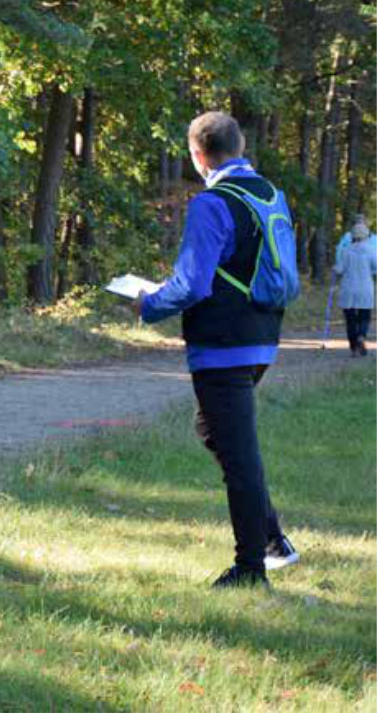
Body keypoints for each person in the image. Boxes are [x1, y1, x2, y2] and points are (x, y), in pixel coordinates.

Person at [136, 112, 299, 589]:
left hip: (222, 343)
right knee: (214, 431)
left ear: (197, 155)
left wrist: (147, 304)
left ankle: (251, 567)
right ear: (241, 144)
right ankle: (271, 540)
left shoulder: (213, 203)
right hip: (262, 337)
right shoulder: (270, 194)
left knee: (239, 453)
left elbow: (191, 283)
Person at [333, 219, 377, 357]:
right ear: (366, 235)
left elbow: (339, 269)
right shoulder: (372, 251)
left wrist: (335, 269)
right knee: (364, 316)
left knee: (350, 319)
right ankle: (361, 336)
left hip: (348, 288)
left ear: (352, 235)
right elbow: (376, 269)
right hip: (365, 288)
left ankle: (353, 347)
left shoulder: (345, 251)